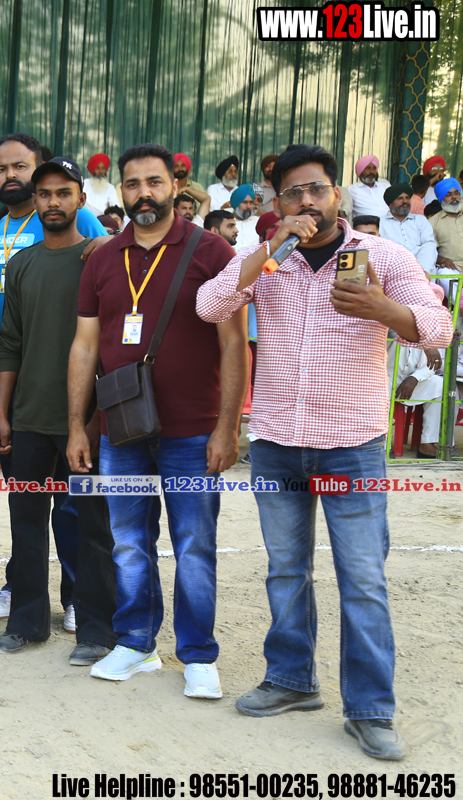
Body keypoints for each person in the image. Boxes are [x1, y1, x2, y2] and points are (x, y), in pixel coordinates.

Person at [197, 143, 453, 760]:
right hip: (277, 442)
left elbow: (439, 328)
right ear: (278, 201)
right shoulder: (269, 257)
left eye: (316, 189)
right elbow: (210, 305)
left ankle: (370, 710)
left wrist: (385, 310)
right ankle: (291, 680)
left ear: (338, 194)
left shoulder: (382, 256)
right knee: (286, 570)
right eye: (293, 193)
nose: (306, 201)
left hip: (351, 447)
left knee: (362, 580)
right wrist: (268, 249)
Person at [67, 143, 248, 700]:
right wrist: (77, 426)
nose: (143, 193)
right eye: (132, 184)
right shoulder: (103, 258)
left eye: (153, 182)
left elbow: (234, 343)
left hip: (193, 430)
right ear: (120, 191)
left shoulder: (212, 251)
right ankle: (137, 643)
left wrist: (227, 427)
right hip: (121, 430)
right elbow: (85, 345)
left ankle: (198, 654)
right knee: (128, 542)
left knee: (193, 544)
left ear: (175, 186)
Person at [0, 156, 118, 665]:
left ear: (81, 199)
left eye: (64, 193)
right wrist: (3, 414)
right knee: (25, 523)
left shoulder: (100, 258)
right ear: (35, 200)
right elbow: (10, 342)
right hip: (28, 419)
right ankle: (26, 622)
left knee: (91, 526)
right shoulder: (22, 263)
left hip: (87, 422)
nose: (53, 202)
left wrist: (92, 418)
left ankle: (96, 629)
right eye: (45, 194)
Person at [391, 343, 446, 458]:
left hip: (412, 380)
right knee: (379, 389)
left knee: (440, 384)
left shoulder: (430, 335)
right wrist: (426, 344)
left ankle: (427, 443)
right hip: (384, 378)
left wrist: (415, 378)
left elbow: (433, 365)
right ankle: (382, 446)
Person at [378, 183, 438, 276]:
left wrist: (421, 269)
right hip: (395, 269)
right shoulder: (380, 223)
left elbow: (429, 245)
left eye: (407, 198)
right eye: (400, 198)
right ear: (390, 204)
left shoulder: (420, 220)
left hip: (423, 268)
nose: (405, 201)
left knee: (430, 246)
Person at [429, 178, 463, 272]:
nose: (454, 197)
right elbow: (429, 251)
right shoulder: (433, 222)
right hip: (453, 267)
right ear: (441, 198)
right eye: (448, 195)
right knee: (445, 273)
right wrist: (443, 260)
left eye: (457, 193)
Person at [82, 153, 120, 218]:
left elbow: (116, 207)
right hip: (86, 218)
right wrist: (106, 211)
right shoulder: (84, 184)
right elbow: (87, 205)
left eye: (103, 168)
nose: (101, 171)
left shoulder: (110, 188)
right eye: (97, 168)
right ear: (93, 169)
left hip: (104, 220)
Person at [229, 185, 260, 254]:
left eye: (251, 203)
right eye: (244, 202)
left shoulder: (258, 221)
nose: (248, 206)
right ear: (236, 204)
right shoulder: (226, 222)